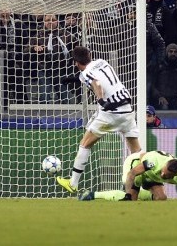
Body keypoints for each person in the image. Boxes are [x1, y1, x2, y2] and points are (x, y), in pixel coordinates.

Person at [56, 46, 141, 193]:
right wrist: (71, 79)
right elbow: (92, 77)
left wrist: (101, 100)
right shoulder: (102, 62)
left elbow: (96, 83)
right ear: (90, 55)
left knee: (85, 144)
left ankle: (73, 183)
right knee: (136, 150)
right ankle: (145, 183)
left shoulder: (86, 73)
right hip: (127, 109)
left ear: (76, 63)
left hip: (110, 112)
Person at [78, 150, 177, 201]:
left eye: (165, 175)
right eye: (162, 170)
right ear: (164, 165)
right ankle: (92, 195)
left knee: (162, 198)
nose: (163, 174)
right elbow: (132, 173)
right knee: (130, 199)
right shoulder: (153, 162)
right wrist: (128, 194)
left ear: (175, 175)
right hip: (135, 165)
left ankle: (141, 196)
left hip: (151, 175)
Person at [151, 43, 177, 110]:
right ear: (167, 53)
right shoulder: (159, 67)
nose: (173, 54)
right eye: (171, 51)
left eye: (175, 52)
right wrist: (159, 96)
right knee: (164, 108)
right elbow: (152, 85)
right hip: (161, 98)